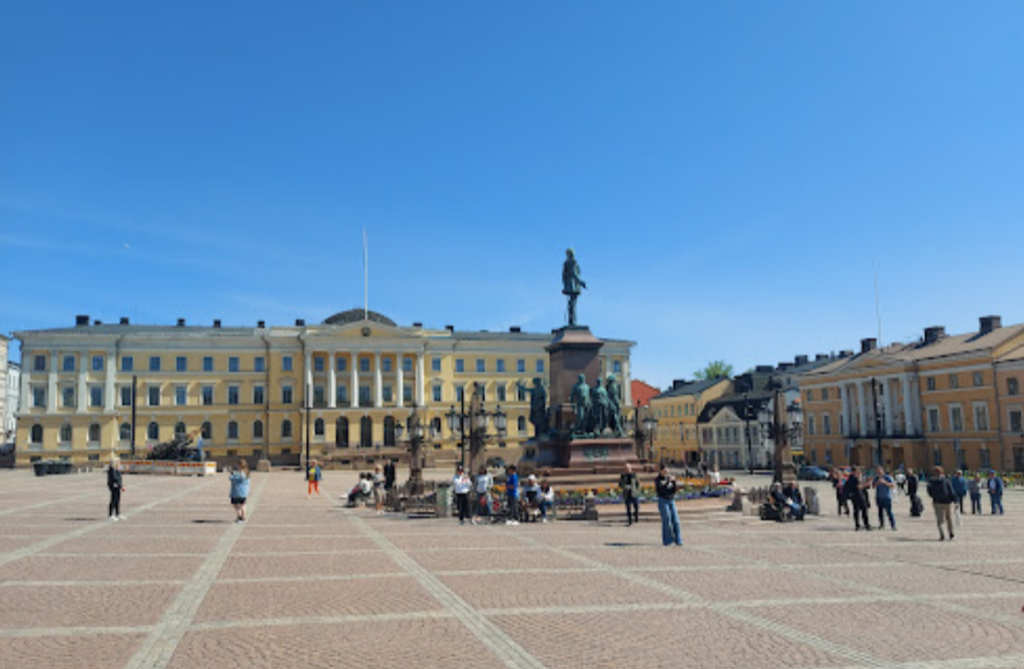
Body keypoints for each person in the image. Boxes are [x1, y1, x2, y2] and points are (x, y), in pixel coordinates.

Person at [655, 465, 682, 546]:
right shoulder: (658, 480)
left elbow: (673, 490)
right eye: (665, 471)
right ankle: (668, 540)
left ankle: (678, 539)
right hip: (663, 500)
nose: (666, 473)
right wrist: (667, 482)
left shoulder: (670, 478)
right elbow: (660, 490)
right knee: (667, 520)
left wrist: (675, 484)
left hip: (671, 500)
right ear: (661, 471)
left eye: (667, 471)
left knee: (676, 520)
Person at [926, 466, 956, 541]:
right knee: (949, 518)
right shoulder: (946, 480)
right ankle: (951, 533)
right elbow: (951, 491)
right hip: (947, 501)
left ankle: (942, 534)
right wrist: (955, 500)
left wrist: (934, 497)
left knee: (940, 519)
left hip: (937, 502)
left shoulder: (931, 481)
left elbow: (929, 491)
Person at [846, 466, 871, 531]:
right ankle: (866, 525)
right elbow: (859, 487)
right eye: (858, 471)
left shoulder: (850, 478)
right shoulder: (854, 478)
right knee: (864, 509)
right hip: (858, 495)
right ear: (855, 471)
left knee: (856, 510)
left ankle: (857, 525)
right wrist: (867, 483)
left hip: (853, 496)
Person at [872, 466, 896, 530]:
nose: (878, 472)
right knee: (880, 512)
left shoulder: (887, 477)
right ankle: (881, 524)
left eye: (879, 470)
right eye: (877, 471)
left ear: (882, 470)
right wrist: (877, 483)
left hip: (887, 497)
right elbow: (873, 486)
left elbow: (892, 486)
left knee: (889, 512)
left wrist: (884, 482)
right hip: (879, 497)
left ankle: (893, 525)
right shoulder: (876, 478)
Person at [107, 456, 125, 521]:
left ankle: (118, 514)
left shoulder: (116, 469)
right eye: (118, 462)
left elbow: (119, 478)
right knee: (113, 500)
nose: (119, 463)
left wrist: (121, 486)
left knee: (117, 500)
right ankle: (111, 515)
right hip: (114, 486)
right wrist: (117, 484)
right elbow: (114, 478)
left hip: (118, 486)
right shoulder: (111, 469)